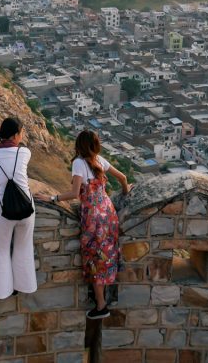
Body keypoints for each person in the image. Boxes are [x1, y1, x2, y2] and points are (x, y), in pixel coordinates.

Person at [37, 129, 129, 319]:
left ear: (79, 145)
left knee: (94, 259)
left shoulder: (79, 163)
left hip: (93, 218)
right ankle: (106, 297)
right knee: (107, 256)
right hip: (108, 214)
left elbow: (74, 194)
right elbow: (123, 178)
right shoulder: (99, 160)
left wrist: (51, 197)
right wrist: (126, 192)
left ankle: (101, 305)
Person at [0, 117, 37, 299]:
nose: (22, 136)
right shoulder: (25, 153)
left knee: (1, 249)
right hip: (27, 207)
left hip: (4, 209)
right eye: (21, 133)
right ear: (15, 135)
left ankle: (2, 290)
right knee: (23, 247)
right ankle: (24, 285)